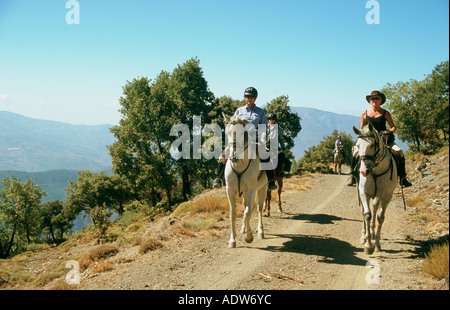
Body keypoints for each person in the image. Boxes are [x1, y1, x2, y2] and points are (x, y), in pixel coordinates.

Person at [213, 87, 278, 190]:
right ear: (244, 98)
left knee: (265, 153)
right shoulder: (239, 110)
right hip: (239, 140)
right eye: (247, 97)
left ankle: (270, 180)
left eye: (252, 97)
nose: (249, 99)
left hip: (254, 140)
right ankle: (218, 178)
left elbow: (264, 127)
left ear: (255, 98)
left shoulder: (260, 112)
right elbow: (232, 123)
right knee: (224, 153)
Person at [348, 90, 412, 187]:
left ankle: (403, 178)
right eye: (372, 98)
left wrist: (389, 132)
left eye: (377, 98)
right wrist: (360, 136)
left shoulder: (385, 113)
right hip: (368, 140)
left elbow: (393, 127)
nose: (374, 100)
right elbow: (361, 129)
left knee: (399, 152)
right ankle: (352, 176)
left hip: (384, 139)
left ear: (381, 100)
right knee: (356, 153)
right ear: (370, 101)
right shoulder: (364, 114)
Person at [266, 112, 287, 177]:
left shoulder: (278, 128)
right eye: (270, 119)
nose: (271, 120)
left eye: (273, 119)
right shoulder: (265, 127)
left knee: (276, 159)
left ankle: (280, 172)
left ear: (275, 120)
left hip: (274, 147)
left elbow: (280, 138)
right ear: (268, 120)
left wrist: (283, 146)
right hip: (265, 147)